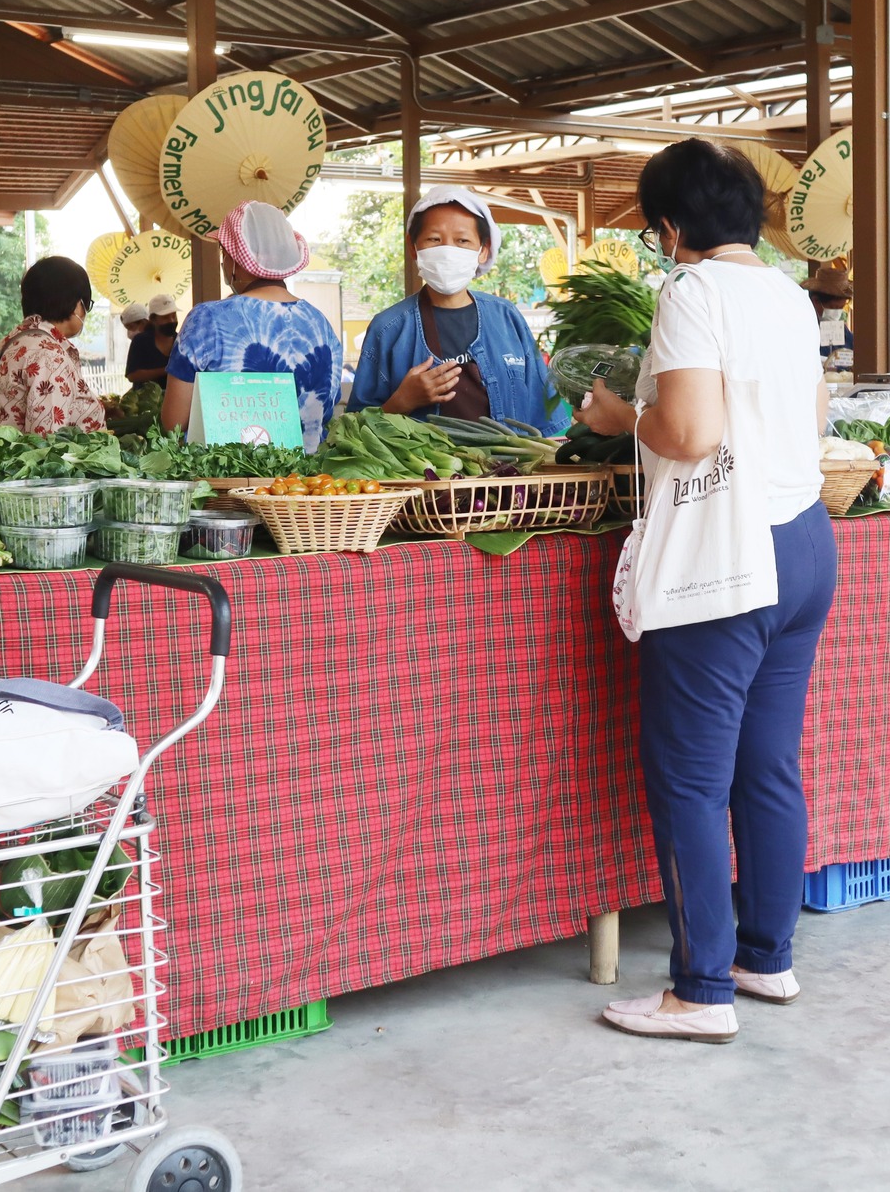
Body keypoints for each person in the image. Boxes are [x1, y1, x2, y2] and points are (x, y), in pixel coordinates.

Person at [575, 138, 836, 1044]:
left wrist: (619, 418)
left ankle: (699, 990)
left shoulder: (690, 292)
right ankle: (766, 958)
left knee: (690, 776)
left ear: (671, 228)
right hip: (804, 540)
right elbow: (810, 421)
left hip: (726, 560)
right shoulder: (787, 293)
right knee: (768, 762)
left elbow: (687, 431)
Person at [349, 185, 568, 435]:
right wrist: (401, 403)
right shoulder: (388, 329)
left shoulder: (507, 318)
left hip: (511, 473)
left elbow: (546, 418)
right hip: (428, 473)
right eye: (434, 239)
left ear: (483, 250)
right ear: (413, 246)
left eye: (462, 240)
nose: (448, 250)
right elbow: (353, 430)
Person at [159, 201, 342, 451]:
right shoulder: (320, 323)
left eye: (224, 253)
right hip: (308, 483)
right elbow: (326, 411)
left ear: (237, 260)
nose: (223, 263)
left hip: (226, 483)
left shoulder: (207, 319)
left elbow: (173, 426)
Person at [0, 256, 106, 435]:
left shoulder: (16, 342)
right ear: (77, 304)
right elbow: (47, 443)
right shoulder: (48, 356)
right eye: (87, 304)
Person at [808, 265, 854, 366]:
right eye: (833, 307)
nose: (837, 312)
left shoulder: (843, 331)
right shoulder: (804, 327)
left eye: (840, 307)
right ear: (815, 301)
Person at [127, 294, 176, 386]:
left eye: (174, 316)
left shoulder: (181, 341)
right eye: (165, 317)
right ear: (153, 319)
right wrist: (167, 370)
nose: (172, 321)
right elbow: (132, 375)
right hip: (146, 398)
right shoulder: (141, 341)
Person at [118, 301, 149, 382]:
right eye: (127, 328)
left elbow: (132, 375)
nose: (129, 332)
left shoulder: (139, 341)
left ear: (144, 322)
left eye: (131, 327)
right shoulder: (138, 342)